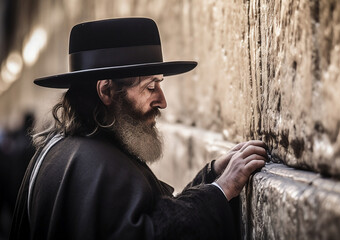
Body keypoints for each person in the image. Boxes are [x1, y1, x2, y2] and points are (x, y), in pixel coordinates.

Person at [10, 18, 268, 240]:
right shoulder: (96, 163)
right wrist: (221, 191)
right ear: (107, 91)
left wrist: (211, 177)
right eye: (150, 87)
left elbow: (152, 217)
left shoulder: (72, 152)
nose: (162, 101)